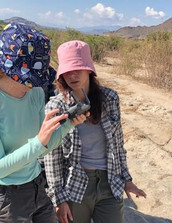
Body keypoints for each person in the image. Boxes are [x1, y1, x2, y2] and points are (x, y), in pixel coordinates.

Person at [0, 23, 87, 223]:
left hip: (36, 186)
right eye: (29, 77)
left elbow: (41, 148)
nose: (34, 83)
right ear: (8, 70)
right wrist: (38, 143)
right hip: (3, 198)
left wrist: (69, 124)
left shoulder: (35, 93)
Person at [44, 40, 147, 223]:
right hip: (75, 183)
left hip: (109, 182)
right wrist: (58, 199)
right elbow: (52, 155)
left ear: (89, 70)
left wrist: (126, 179)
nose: (72, 75)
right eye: (67, 70)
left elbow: (117, 143)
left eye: (78, 68)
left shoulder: (109, 98)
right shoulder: (56, 106)